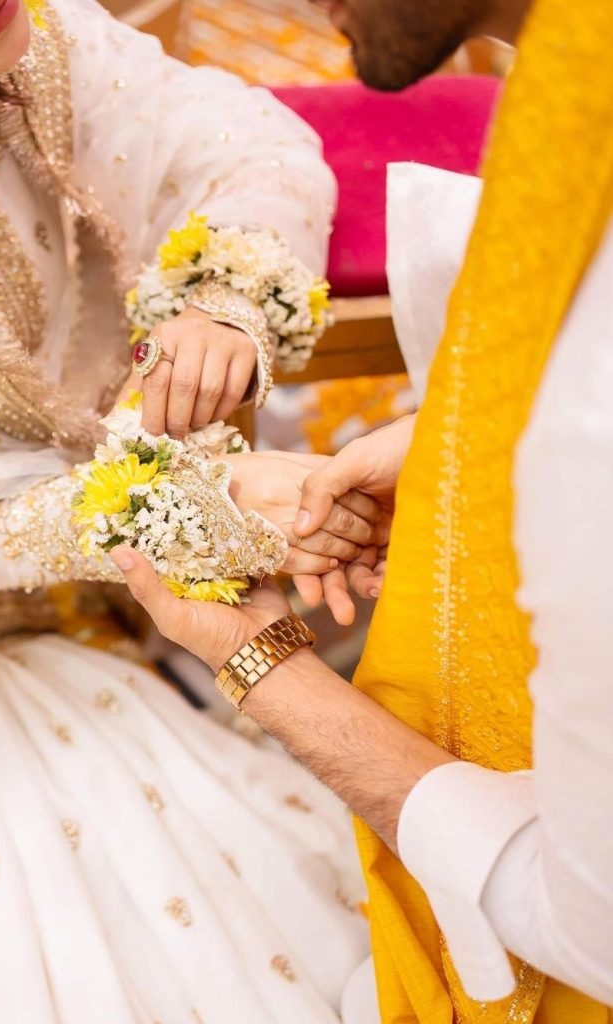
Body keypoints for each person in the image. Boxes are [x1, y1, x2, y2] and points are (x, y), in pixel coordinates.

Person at [0, 0, 382, 1018]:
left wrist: (220, 297)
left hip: (120, 597)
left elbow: (244, 146)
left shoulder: (34, 45)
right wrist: (204, 505)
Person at [114, 0, 613, 1020]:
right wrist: (453, 450)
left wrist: (259, 663)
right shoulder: (572, 83)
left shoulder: (582, 413)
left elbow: (591, 928)